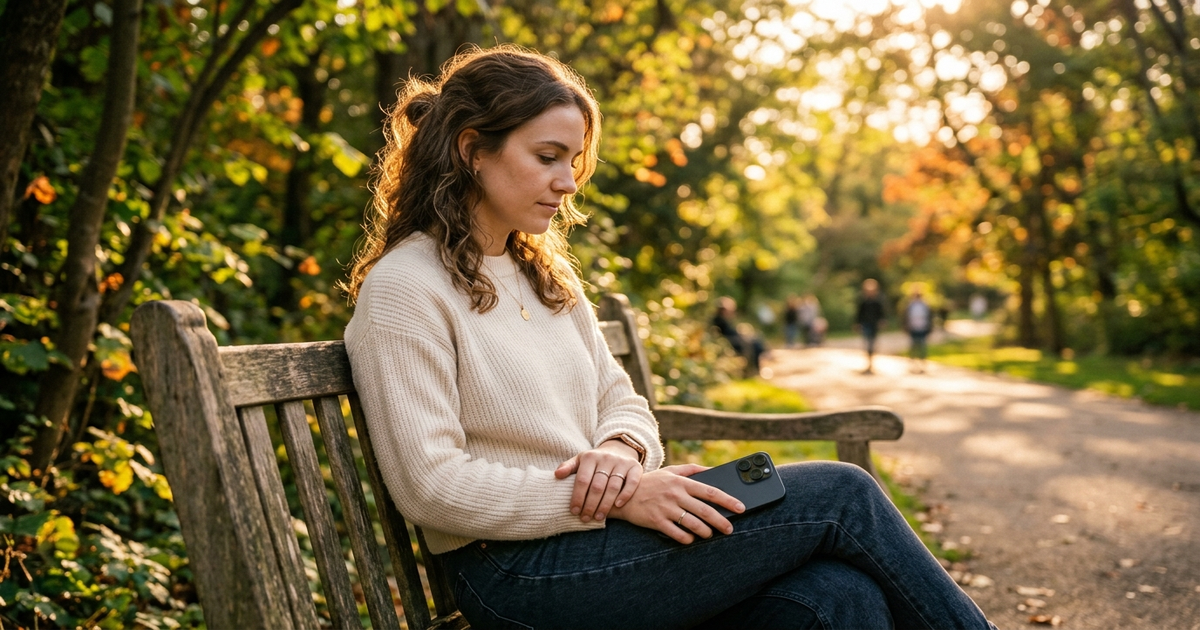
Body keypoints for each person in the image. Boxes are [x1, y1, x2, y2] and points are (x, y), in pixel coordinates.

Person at [344, 45, 995, 630]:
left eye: (572, 161)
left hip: (596, 540)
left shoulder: (542, 276)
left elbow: (623, 401)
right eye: (547, 158)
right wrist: (619, 495)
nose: (568, 182)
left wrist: (620, 453)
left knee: (836, 596)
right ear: (471, 150)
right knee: (844, 495)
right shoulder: (407, 287)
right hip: (517, 573)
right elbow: (431, 485)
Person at [712, 296, 767, 375]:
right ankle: (755, 370)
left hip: (735, 340)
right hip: (732, 343)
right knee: (755, 345)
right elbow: (726, 335)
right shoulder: (719, 321)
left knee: (756, 341)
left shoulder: (724, 320)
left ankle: (755, 369)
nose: (731, 313)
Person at [855, 278, 887, 374]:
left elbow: (881, 312)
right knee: (867, 343)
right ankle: (868, 362)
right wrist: (857, 323)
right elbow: (859, 313)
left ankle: (871, 362)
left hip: (874, 325)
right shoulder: (863, 301)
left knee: (872, 343)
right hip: (866, 324)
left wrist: (882, 321)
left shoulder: (877, 301)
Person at [904, 286, 933, 373]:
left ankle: (922, 365)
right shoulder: (910, 305)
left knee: (922, 347)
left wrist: (929, 327)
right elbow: (905, 317)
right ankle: (913, 365)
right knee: (913, 347)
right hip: (913, 328)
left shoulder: (925, 305)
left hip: (922, 328)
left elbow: (929, 317)